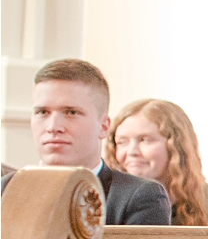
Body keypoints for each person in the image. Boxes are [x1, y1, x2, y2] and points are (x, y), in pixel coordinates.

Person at [6, 59, 172, 225]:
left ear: (104, 126)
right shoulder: (6, 189)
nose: (53, 127)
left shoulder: (137, 197)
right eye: (42, 112)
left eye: (71, 112)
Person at [108, 98, 208, 226]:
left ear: (177, 146)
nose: (132, 151)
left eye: (146, 140)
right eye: (122, 142)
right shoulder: (104, 199)